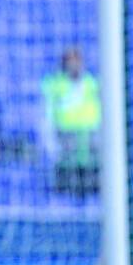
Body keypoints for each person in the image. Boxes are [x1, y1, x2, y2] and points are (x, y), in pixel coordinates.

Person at [41, 48, 101, 196]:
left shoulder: (91, 84)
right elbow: (47, 116)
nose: (74, 66)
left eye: (77, 62)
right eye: (71, 62)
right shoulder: (55, 85)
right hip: (66, 137)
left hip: (90, 137)